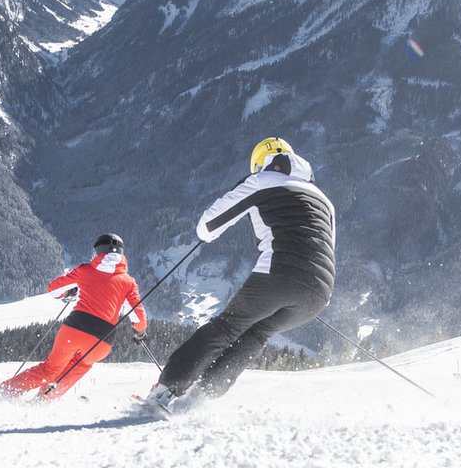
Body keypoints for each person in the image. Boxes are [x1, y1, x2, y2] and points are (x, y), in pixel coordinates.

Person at [143, 137, 335, 414]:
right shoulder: (324, 201)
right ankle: (201, 400)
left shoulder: (261, 181)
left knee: (226, 327)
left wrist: (204, 236)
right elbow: (325, 247)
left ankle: (165, 390)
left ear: (261, 163)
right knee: (257, 335)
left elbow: (208, 225)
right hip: (320, 292)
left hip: (279, 272)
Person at [0, 233, 149, 399]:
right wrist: (139, 332)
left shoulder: (85, 270)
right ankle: (44, 399)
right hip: (102, 340)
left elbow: (53, 289)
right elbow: (138, 316)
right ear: (121, 254)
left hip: (76, 329)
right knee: (80, 365)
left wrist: (69, 291)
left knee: (50, 369)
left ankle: (5, 391)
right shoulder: (129, 282)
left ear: (97, 252)